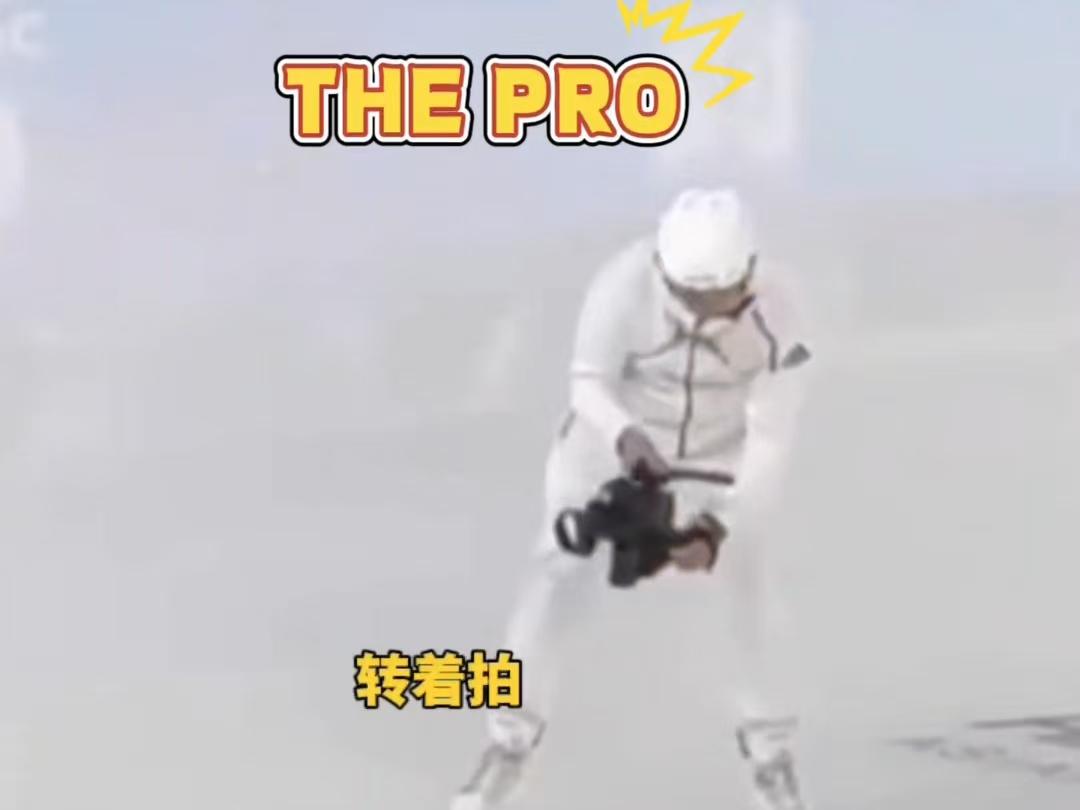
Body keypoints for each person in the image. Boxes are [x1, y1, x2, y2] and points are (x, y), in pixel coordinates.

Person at [451, 187, 816, 810]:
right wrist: (625, 438)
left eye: (719, 297)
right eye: (688, 296)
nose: (703, 310)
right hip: (610, 445)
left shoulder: (784, 312)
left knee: (750, 587)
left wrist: (717, 530)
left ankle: (772, 760)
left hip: (717, 459)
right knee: (554, 574)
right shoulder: (622, 284)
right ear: (664, 274)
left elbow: (771, 438)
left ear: (750, 272)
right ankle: (506, 746)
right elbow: (588, 384)